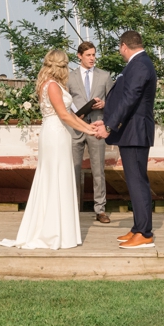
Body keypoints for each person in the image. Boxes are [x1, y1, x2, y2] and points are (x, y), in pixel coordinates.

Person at [0, 50, 100, 250]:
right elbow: (64, 115)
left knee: (59, 177)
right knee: (55, 178)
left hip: (59, 132)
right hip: (55, 134)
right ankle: (53, 232)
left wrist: (88, 128)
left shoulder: (50, 85)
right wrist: (88, 131)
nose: (67, 70)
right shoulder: (52, 86)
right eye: (65, 65)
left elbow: (70, 115)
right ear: (60, 67)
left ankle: (61, 230)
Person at [100, 30, 158, 250]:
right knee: (134, 182)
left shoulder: (141, 64)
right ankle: (137, 228)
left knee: (138, 183)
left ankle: (145, 233)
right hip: (130, 131)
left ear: (124, 46)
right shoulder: (138, 64)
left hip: (135, 132)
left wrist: (108, 126)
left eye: (119, 48)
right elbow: (123, 99)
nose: (120, 52)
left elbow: (130, 98)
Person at [68, 40, 115, 225]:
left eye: (94, 55)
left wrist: (105, 105)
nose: (92, 58)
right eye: (88, 55)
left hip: (96, 127)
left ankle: (100, 210)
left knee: (98, 170)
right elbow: (64, 102)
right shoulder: (69, 77)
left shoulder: (104, 76)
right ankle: (72, 209)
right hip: (75, 128)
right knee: (73, 169)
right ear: (79, 56)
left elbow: (114, 102)